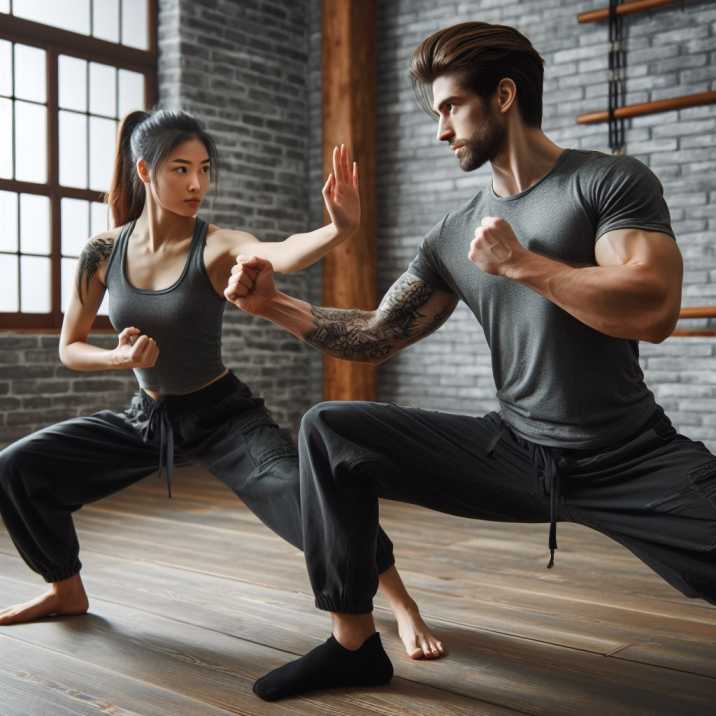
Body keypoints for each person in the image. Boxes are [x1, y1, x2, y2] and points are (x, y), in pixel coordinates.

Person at [224, 21, 716, 701]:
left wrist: (523, 264)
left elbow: (653, 307)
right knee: (330, 430)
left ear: (504, 95)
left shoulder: (606, 182)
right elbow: (378, 333)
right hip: (515, 452)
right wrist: (276, 305)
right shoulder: (453, 234)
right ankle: (353, 646)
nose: (440, 129)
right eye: (436, 114)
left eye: (451, 106)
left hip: (628, 457)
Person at [0, 108, 445, 662]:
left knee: (310, 500)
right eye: (181, 169)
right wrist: (118, 359)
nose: (196, 184)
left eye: (205, 170)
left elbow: (282, 251)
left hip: (223, 417)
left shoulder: (216, 245)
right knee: (16, 466)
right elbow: (70, 347)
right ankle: (65, 589)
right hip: (148, 418)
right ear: (145, 171)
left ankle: (402, 603)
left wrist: (340, 229)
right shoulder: (102, 252)